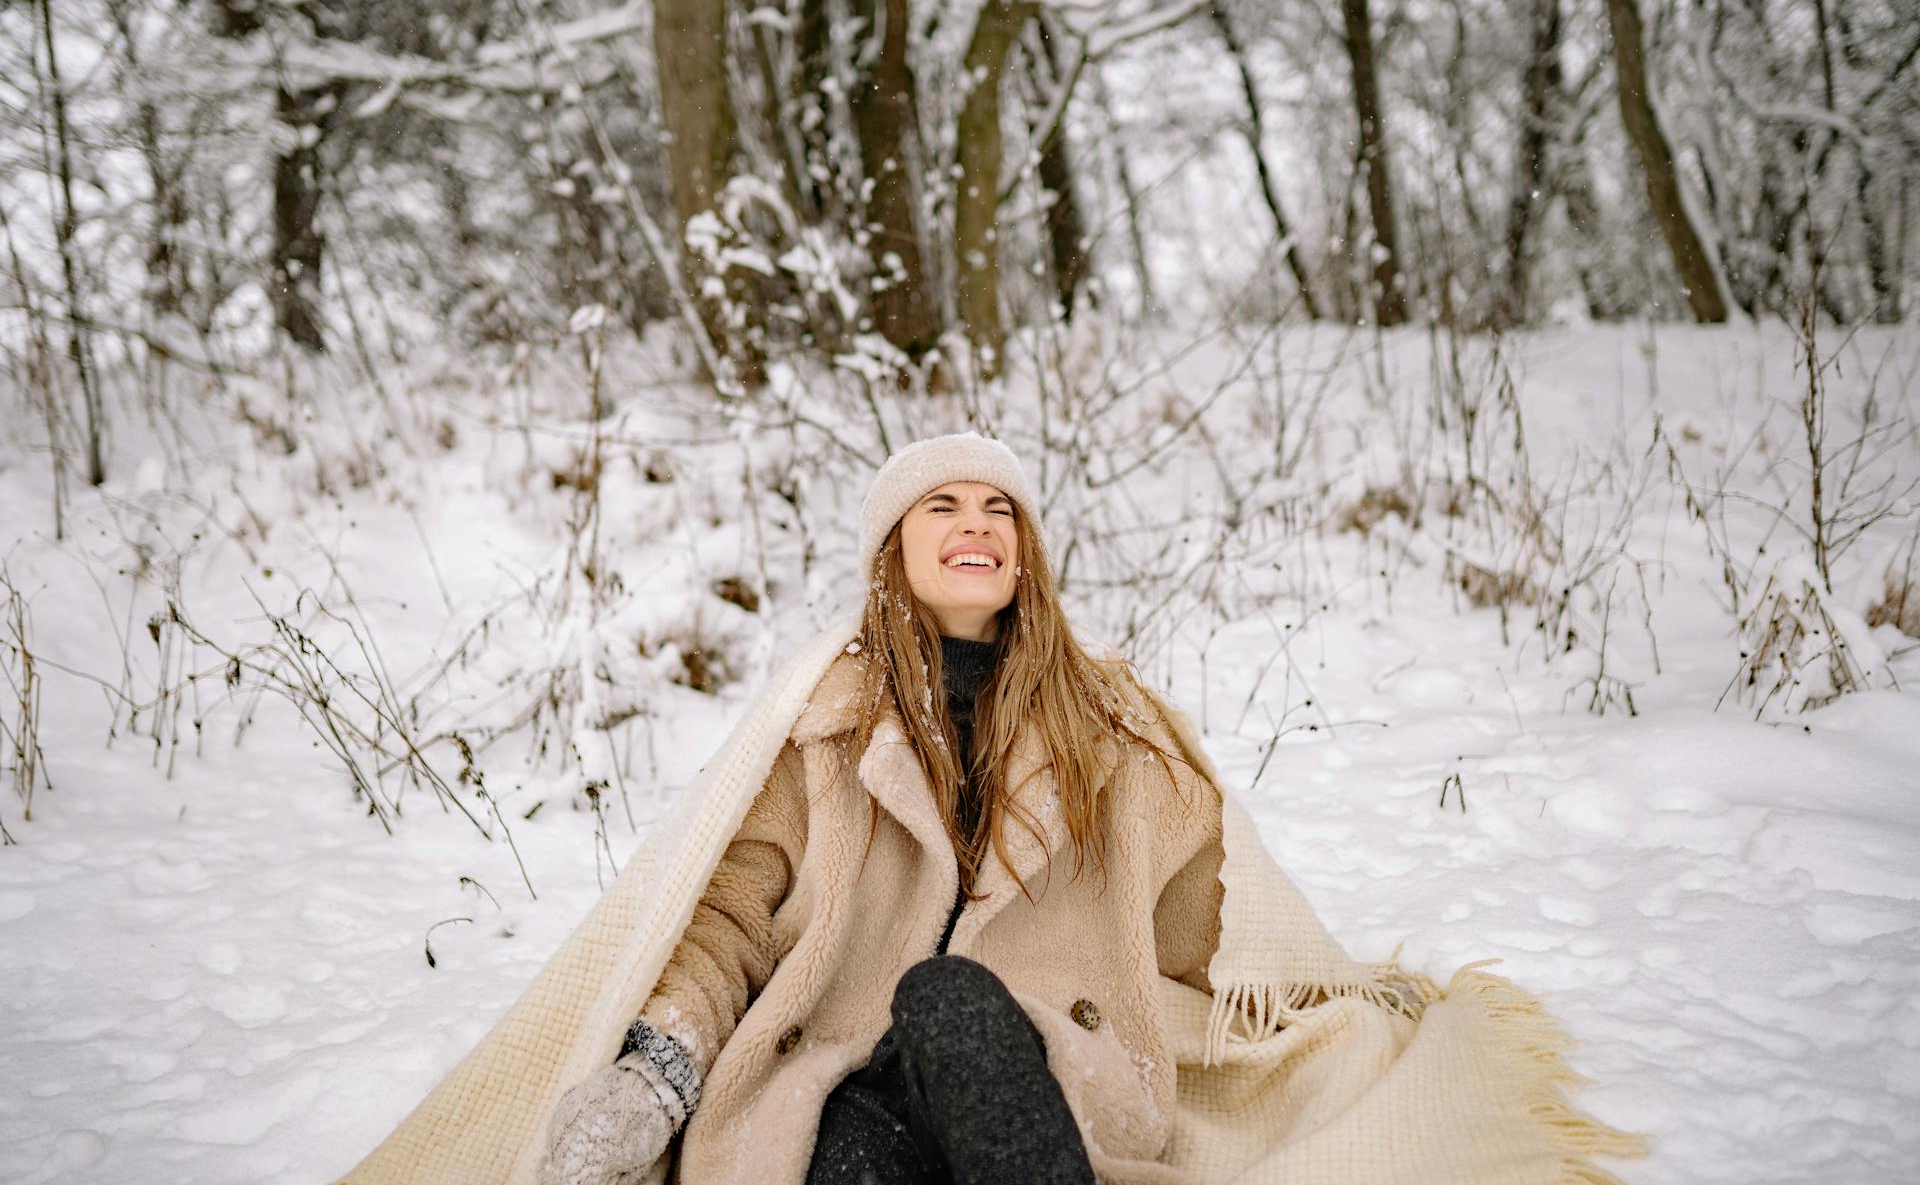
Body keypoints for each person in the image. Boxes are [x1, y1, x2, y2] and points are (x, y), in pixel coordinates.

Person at [337, 432, 1638, 1185]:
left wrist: (1308, 995)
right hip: (847, 1082)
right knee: (842, 1141)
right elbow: (729, 917)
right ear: (894, 550)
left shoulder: (1113, 725)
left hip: (1044, 1084)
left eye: (998, 508)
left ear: (1026, 552)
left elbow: (1210, 914)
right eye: (941, 506)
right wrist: (657, 1070)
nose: (976, 524)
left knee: (949, 1002)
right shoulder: (826, 723)